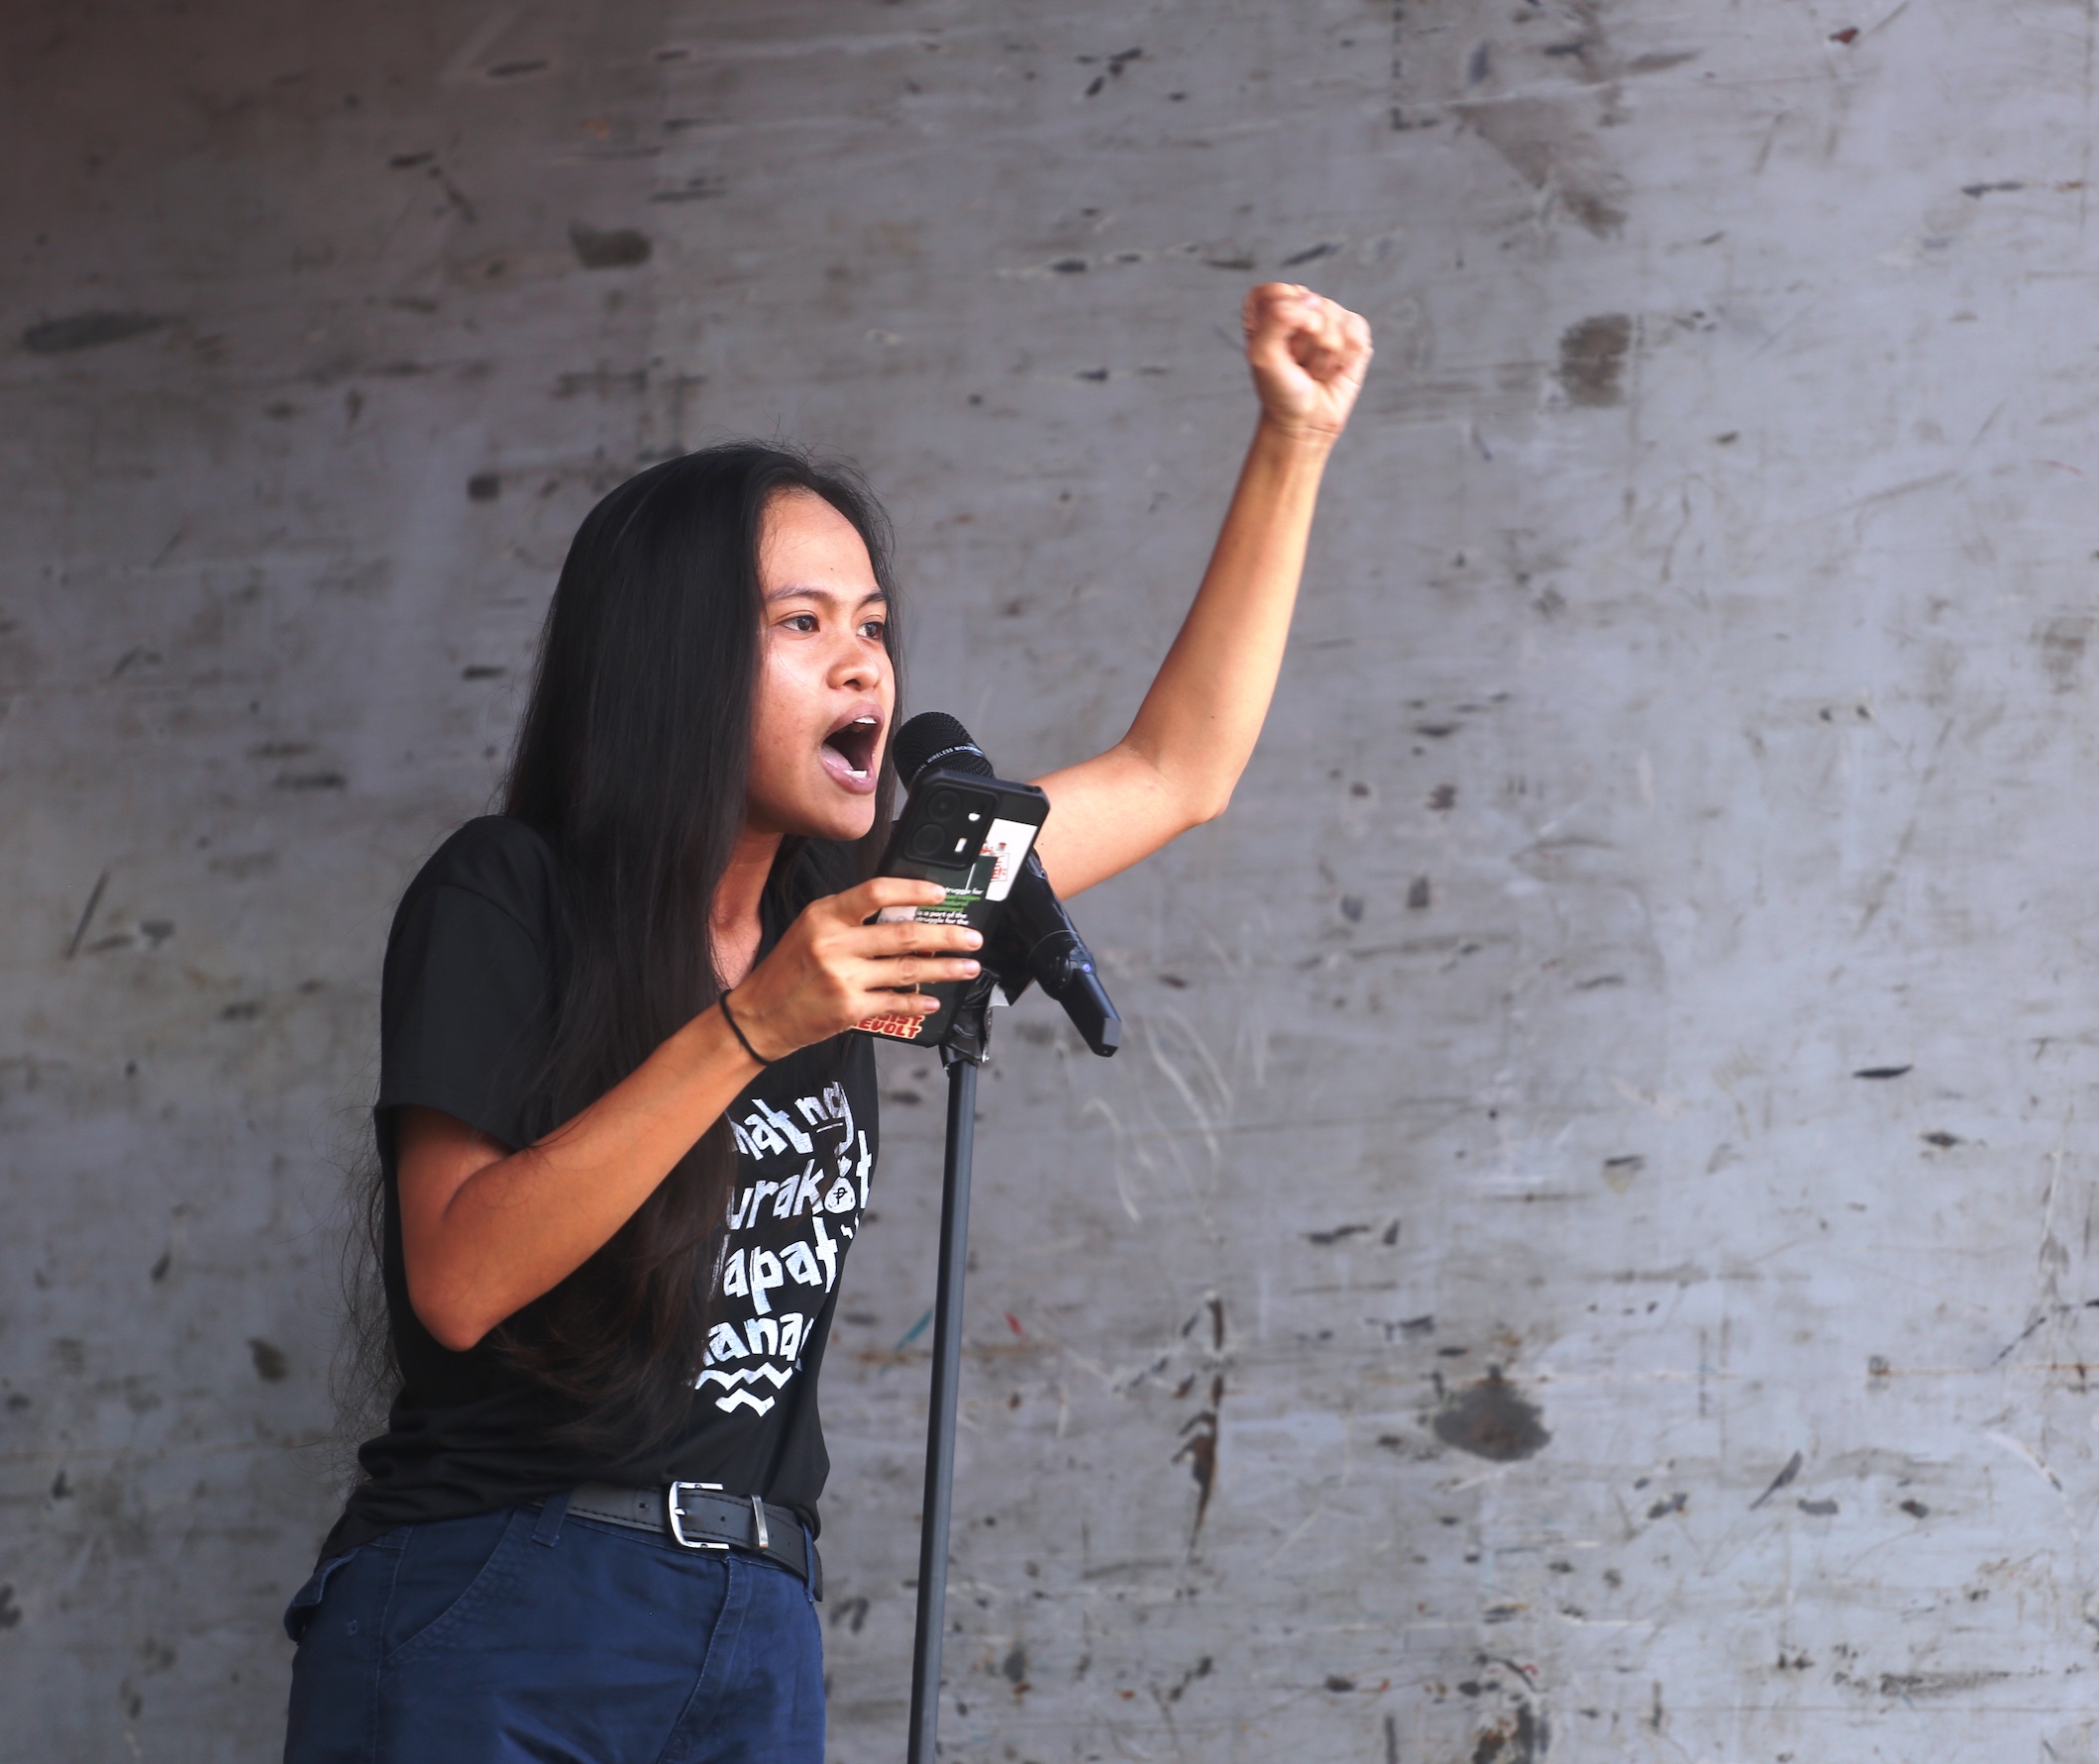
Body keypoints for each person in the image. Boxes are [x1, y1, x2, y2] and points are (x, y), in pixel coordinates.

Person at [281, 282, 1371, 1763]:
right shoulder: (507, 892)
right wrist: (751, 1026)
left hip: (754, 1610)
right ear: (672, 663)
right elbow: (460, 1278)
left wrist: (1293, 442)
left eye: (873, 625)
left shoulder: (860, 906)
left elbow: (1177, 770)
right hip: (505, 1595)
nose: (866, 664)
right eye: (803, 624)